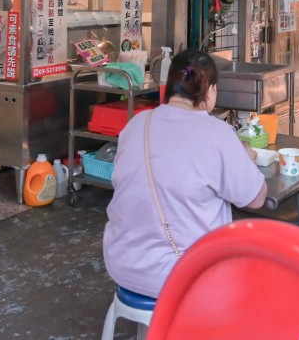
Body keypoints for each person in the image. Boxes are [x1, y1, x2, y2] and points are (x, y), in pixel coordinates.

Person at [102, 49, 267, 298]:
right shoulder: (218, 133)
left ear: (170, 86)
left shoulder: (137, 123)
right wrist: (248, 158)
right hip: (181, 273)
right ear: (210, 91)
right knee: (258, 266)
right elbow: (256, 198)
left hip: (121, 262)